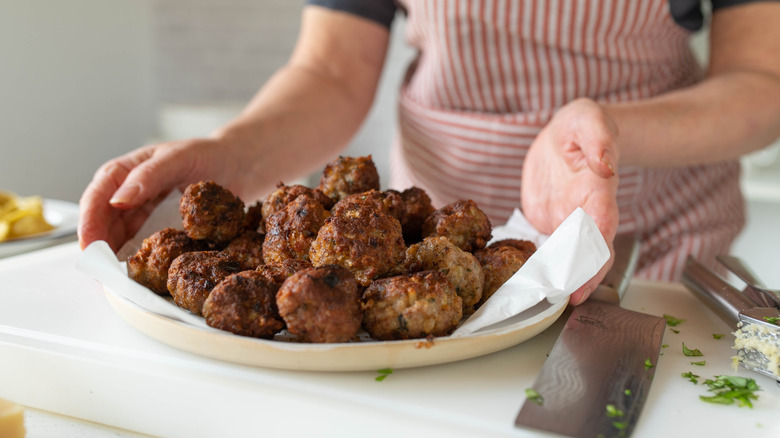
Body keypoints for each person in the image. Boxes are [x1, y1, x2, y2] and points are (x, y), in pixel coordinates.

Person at [78, 0, 780, 305]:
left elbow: (763, 83)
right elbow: (331, 70)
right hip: (413, 254)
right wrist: (234, 153)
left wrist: (609, 132)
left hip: (648, 248)